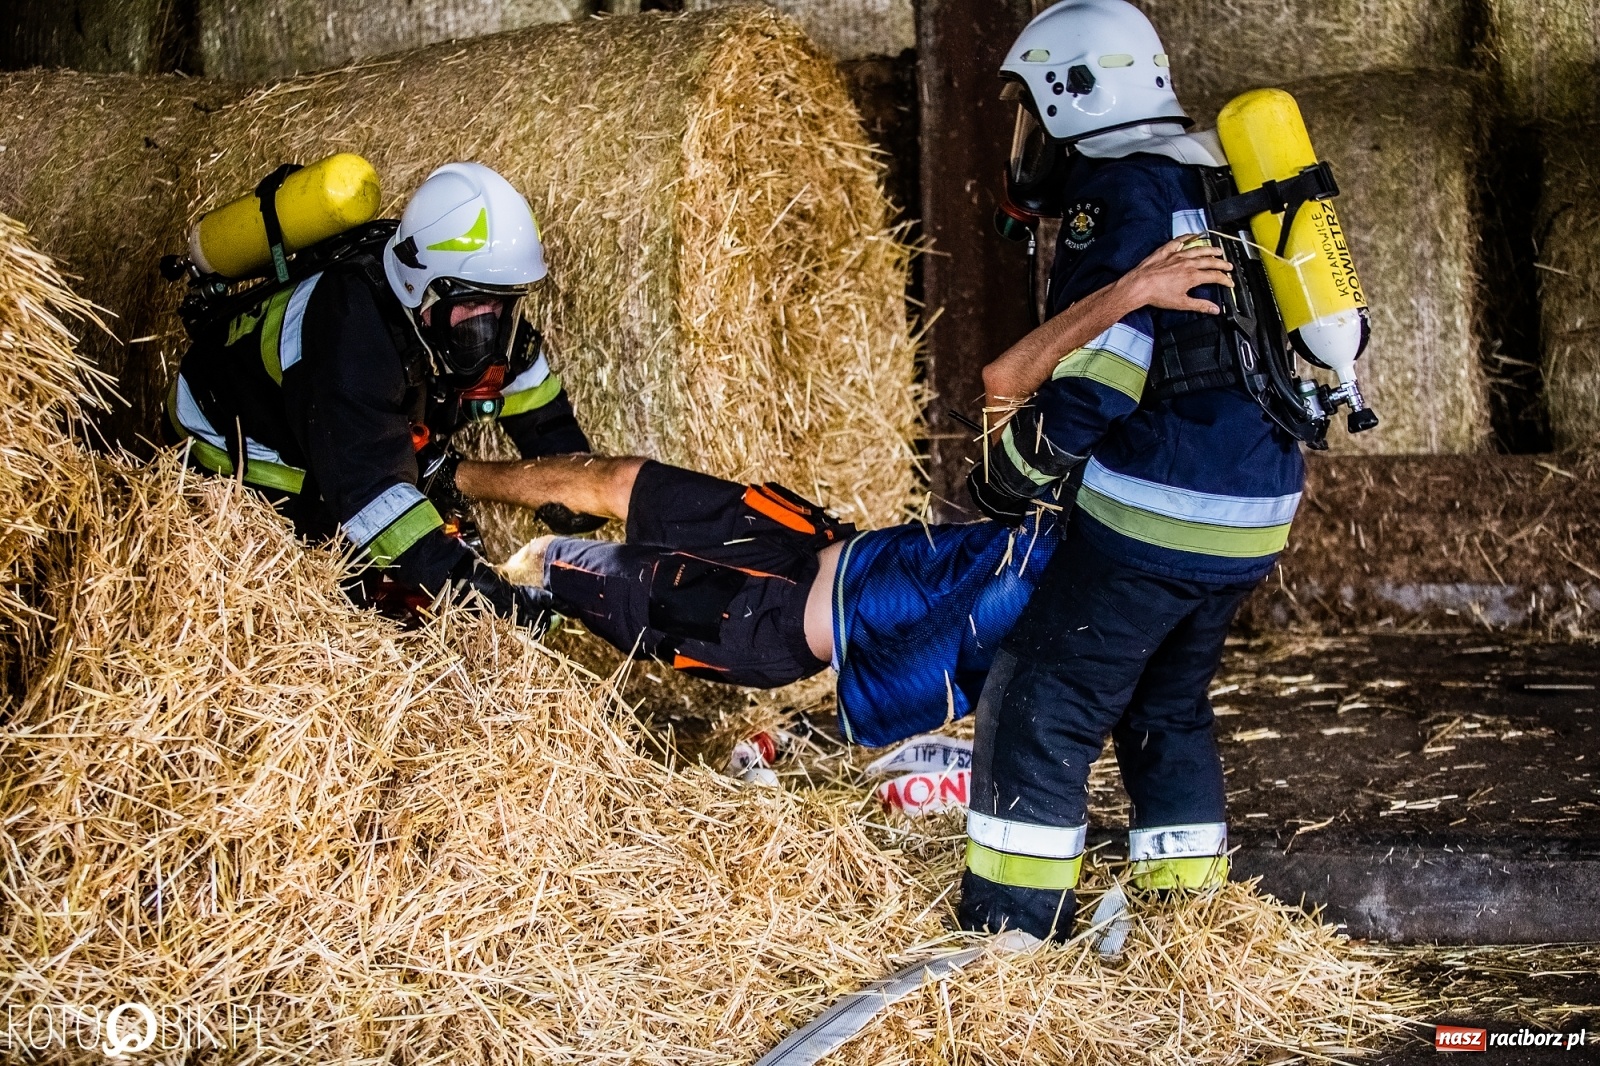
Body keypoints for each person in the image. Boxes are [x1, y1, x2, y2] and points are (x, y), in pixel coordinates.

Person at [443, 237, 1231, 747]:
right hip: (805, 538)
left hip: (757, 620)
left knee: (548, 561)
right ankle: (447, 473)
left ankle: (437, 580)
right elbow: (1007, 388)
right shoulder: (1089, 525)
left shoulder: (1084, 620)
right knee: (616, 480)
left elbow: (1002, 380)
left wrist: (1129, 290)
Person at [954, 0, 1310, 941]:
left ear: (1071, 99)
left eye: (1028, 108)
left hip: (1161, 506)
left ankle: (1010, 939)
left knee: (1040, 700)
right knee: (1166, 705)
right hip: (1254, 504)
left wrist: (1020, 470)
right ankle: (1186, 924)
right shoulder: (1216, 179)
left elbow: (1108, 365)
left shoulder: (1116, 198)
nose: (1025, 135)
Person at [166, 161, 601, 627]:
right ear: (422, 291)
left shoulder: (454, 298)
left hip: (342, 417)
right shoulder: (349, 341)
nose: (490, 330)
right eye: (473, 307)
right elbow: (374, 502)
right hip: (235, 439)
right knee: (355, 595)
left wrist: (571, 478)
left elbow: (531, 394)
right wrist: (495, 602)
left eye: (500, 306)